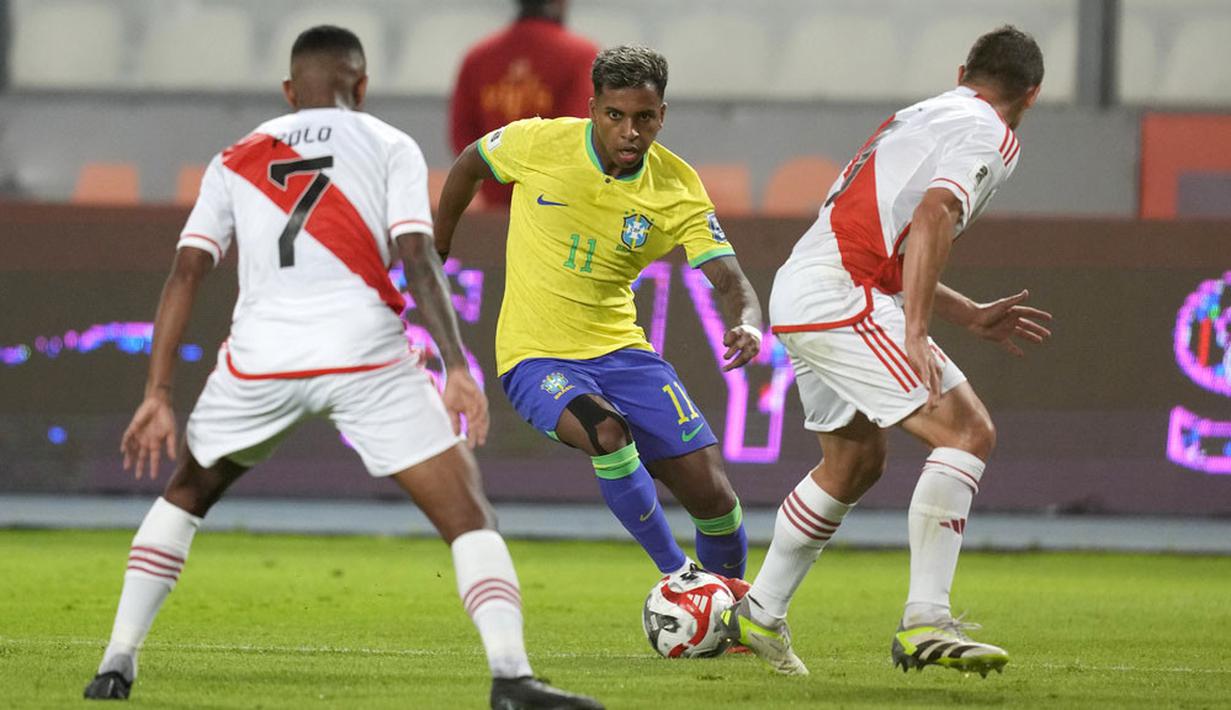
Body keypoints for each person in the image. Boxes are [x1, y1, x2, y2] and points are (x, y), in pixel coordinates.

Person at [81, 25, 601, 710]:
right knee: (469, 516)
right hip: (365, 354)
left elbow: (187, 270)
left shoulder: (235, 157)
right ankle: (511, 678)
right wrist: (455, 365)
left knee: (185, 496)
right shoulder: (389, 144)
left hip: (261, 362)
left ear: (291, 92)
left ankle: (115, 664)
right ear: (360, 85)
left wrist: (157, 393)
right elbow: (416, 257)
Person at [723, 26, 1053, 677]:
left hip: (806, 287)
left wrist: (963, 313)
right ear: (1031, 95)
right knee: (965, 432)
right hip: (842, 295)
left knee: (853, 462)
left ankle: (759, 613)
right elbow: (933, 218)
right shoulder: (990, 132)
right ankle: (925, 620)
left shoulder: (918, 114)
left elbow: (895, 236)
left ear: (963, 69)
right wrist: (918, 329)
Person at [434, 45, 762, 585]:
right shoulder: (537, 142)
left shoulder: (677, 188)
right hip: (536, 356)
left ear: (662, 116)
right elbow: (471, 163)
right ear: (592, 109)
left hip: (622, 350)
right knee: (607, 432)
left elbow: (730, 279)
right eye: (615, 115)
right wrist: (438, 245)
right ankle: (680, 579)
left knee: (714, 496)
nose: (629, 131)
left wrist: (747, 320)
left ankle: (734, 616)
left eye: (644, 118)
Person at [449, 0, 599, 207]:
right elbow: (578, 132)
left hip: (494, 207)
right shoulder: (581, 55)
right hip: (552, 208)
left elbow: (462, 134)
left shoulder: (478, 57)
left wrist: (493, 183)